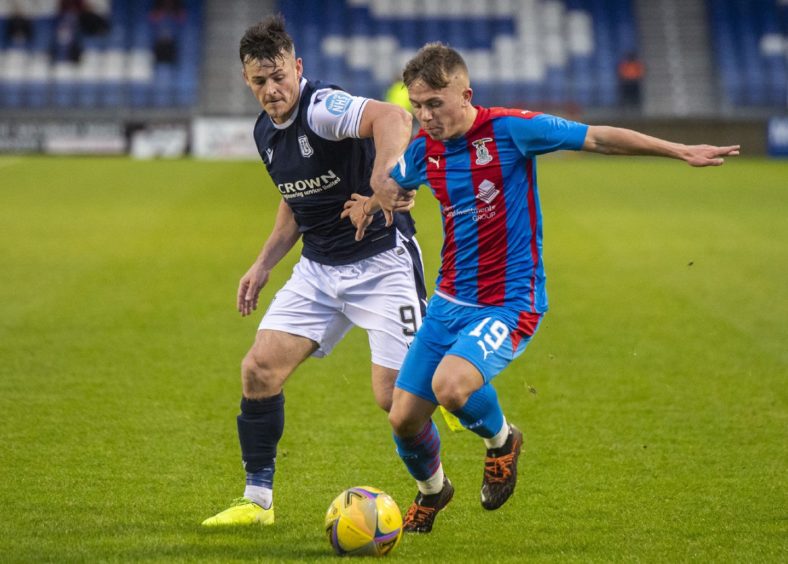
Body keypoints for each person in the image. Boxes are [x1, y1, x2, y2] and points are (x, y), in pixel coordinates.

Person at [343, 42, 739, 533]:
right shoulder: (425, 149)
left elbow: (598, 139)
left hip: (510, 301)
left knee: (450, 387)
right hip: (447, 302)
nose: (425, 116)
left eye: (435, 104)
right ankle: (433, 490)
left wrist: (678, 149)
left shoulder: (510, 130)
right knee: (402, 417)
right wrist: (374, 199)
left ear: (465, 94)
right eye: (417, 106)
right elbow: (394, 182)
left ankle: (502, 442)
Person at [200, 15, 425, 527]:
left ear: (297, 68)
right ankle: (257, 503)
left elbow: (393, 117)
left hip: (381, 263)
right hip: (320, 270)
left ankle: (444, 471)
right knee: (259, 370)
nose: (273, 89)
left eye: (279, 76)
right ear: (247, 82)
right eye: (260, 81)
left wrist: (380, 174)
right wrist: (262, 264)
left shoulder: (322, 107)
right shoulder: (265, 132)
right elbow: (295, 202)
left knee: (396, 400)